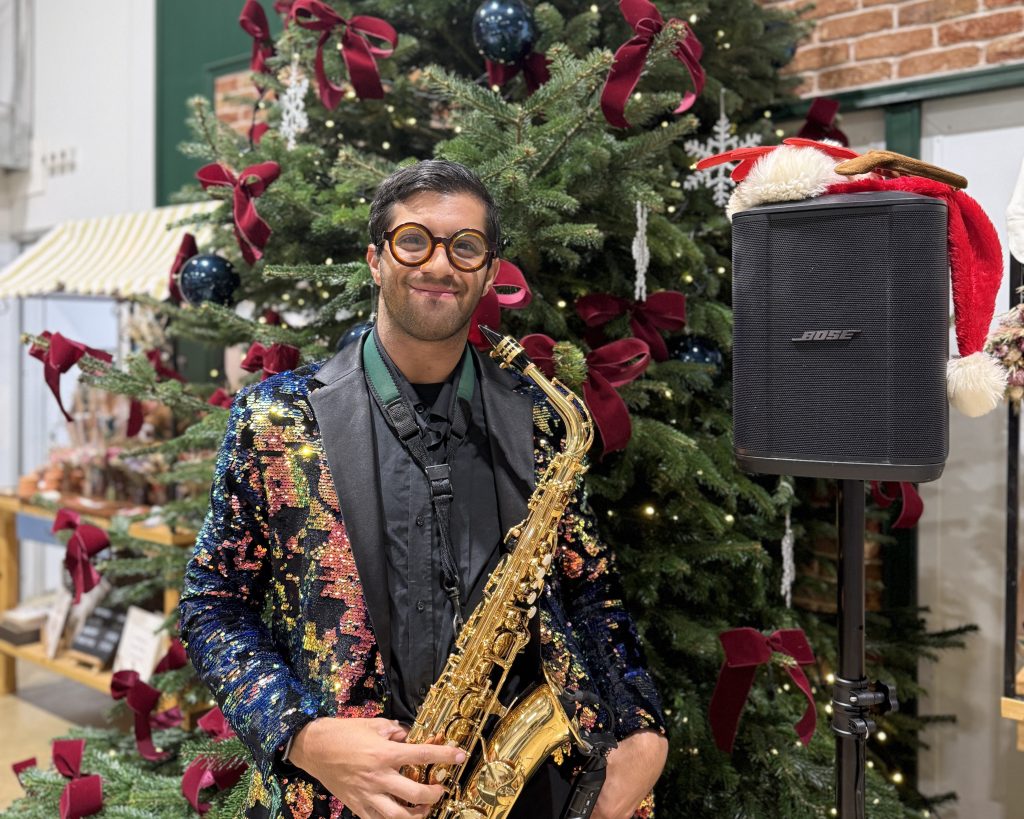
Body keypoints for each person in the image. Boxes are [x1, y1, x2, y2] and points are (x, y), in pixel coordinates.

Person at [180, 160, 668, 819]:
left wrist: (642, 723)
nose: (439, 264)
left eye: (465, 246)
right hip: (346, 795)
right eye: (415, 240)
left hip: (523, 790)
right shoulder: (275, 419)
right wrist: (301, 734)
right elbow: (214, 605)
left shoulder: (541, 419)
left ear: (491, 271)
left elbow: (591, 591)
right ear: (375, 259)